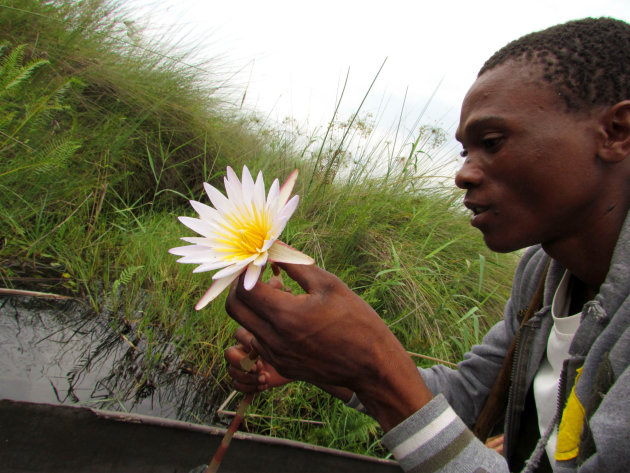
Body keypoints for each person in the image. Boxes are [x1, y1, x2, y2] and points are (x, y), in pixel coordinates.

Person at [224, 17, 630, 473]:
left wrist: (375, 367)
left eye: (492, 142)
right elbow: (468, 400)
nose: (462, 174)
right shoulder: (541, 275)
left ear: (616, 131)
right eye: (464, 152)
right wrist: (329, 364)